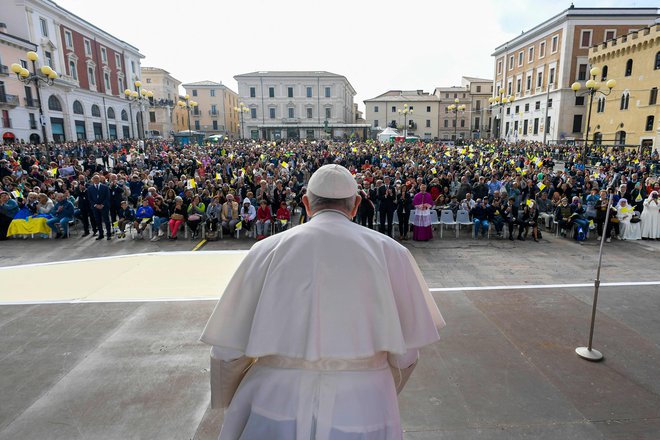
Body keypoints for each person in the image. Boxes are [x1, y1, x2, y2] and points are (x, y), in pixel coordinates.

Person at [200, 164, 444, 440]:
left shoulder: (266, 250)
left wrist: (232, 399)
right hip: (364, 405)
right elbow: (406, 353)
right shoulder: (392, 252)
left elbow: (227, 351)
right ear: (356, 205)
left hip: (275, 399)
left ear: (306, 203)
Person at [88, 174, 112, 240]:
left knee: (106, 220)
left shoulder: (105, 187)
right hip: (95, 207)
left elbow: (107, 197)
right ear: (92, 180)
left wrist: (102, 205)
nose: (96, 180)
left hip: (104, 207)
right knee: (98, 221)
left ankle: (108, 234)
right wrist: (96, 205)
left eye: (97, 178)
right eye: (94, 178)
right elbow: (90, 199)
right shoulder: (90, 188)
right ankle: (101, 234)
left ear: (99, 179)